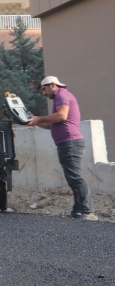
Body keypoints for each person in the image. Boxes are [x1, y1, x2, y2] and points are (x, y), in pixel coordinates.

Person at [26, 76, 98, 221]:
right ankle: (78, 210)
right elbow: (51, 124)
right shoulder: (61, 97)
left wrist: (39, 118)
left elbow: (62, 116)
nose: (44, 93)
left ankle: (87, 211)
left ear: (53, 84)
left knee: (75, 177)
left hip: (70, 143)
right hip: (67, 143)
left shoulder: (62, 95)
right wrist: (36, 121)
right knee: (72, 177)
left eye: (44, 89)